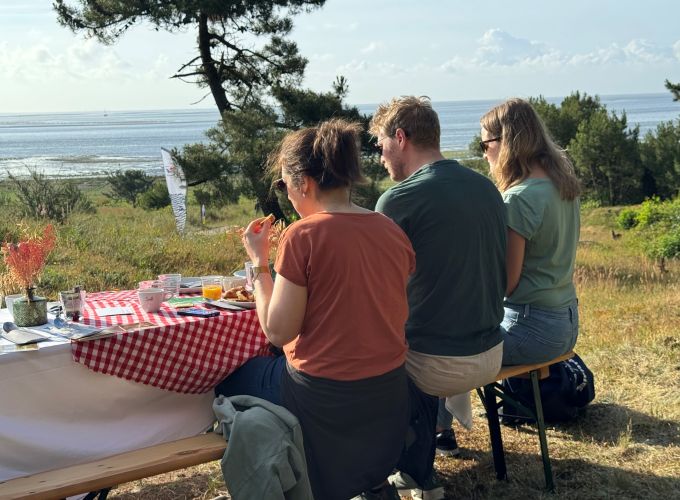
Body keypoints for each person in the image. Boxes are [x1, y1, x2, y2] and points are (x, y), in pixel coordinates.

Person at [215, 118, 415, 500]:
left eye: (283, 185)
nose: (285, 195)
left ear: (303, 182)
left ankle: (277, 474)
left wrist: (259, 264)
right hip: (386, 395)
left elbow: (278, 331)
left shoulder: (303, 235)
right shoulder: (391, 231)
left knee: (228, 378)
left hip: (321, 400)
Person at [370, 96, 507, 498]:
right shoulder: (486, 188)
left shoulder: (397, 200)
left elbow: (375, 295)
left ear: (400, 138)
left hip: (436, 365)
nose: (380, 158)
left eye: (380, 147)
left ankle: (400, 471)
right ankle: (423, 454)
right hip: (491, 352)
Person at [479, 98, 580, 365]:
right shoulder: (561, 186)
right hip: (566, 322)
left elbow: (507, 285)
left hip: (530, 328)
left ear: (504, 142)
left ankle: (453, 411)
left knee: (446, 358)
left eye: (485, 145)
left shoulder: (517, 199)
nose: (484, 154)